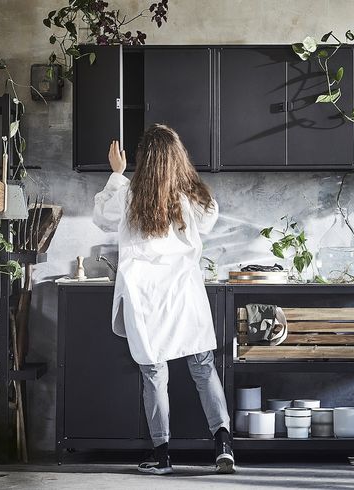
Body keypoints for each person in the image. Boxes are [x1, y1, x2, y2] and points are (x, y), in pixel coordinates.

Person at [93, 124, 235, 475]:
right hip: (185, 295)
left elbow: (101, 218)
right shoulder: (192, 197)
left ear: (143, 159)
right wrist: (185, 177)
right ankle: (223, 446)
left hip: (146, 300)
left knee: (155, 372)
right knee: (203, 368)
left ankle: (163, 457)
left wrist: (116, 174)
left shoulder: (127, 195)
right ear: (178, 159)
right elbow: (211, 218)